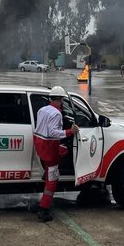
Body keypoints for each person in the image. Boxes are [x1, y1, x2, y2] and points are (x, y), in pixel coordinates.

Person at [33, 86, 79, 222]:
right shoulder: (56, 114)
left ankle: (47, 173)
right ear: (60, 99)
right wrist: (70, 132)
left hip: (41, 146)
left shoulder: (42, 110)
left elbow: (44, 129)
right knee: (52, 181)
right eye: (63, 99)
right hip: (50, 148)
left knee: (62, 152)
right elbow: (53, 132)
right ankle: (44, 209)